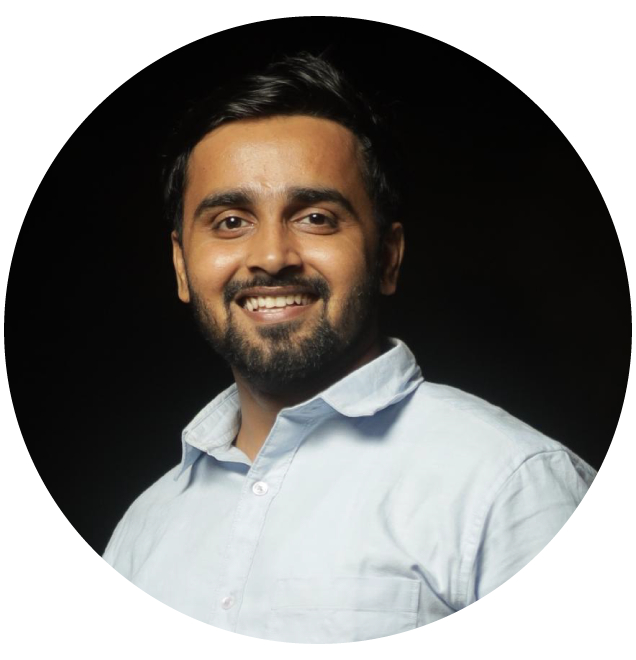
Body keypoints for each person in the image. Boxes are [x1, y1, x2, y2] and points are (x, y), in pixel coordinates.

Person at [102, 51, 597, 641]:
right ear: (183, 266)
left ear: (387, 257)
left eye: (315, 217)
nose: (271, 256)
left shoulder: (510, 485)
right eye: (231, 222)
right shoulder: (144, 529)